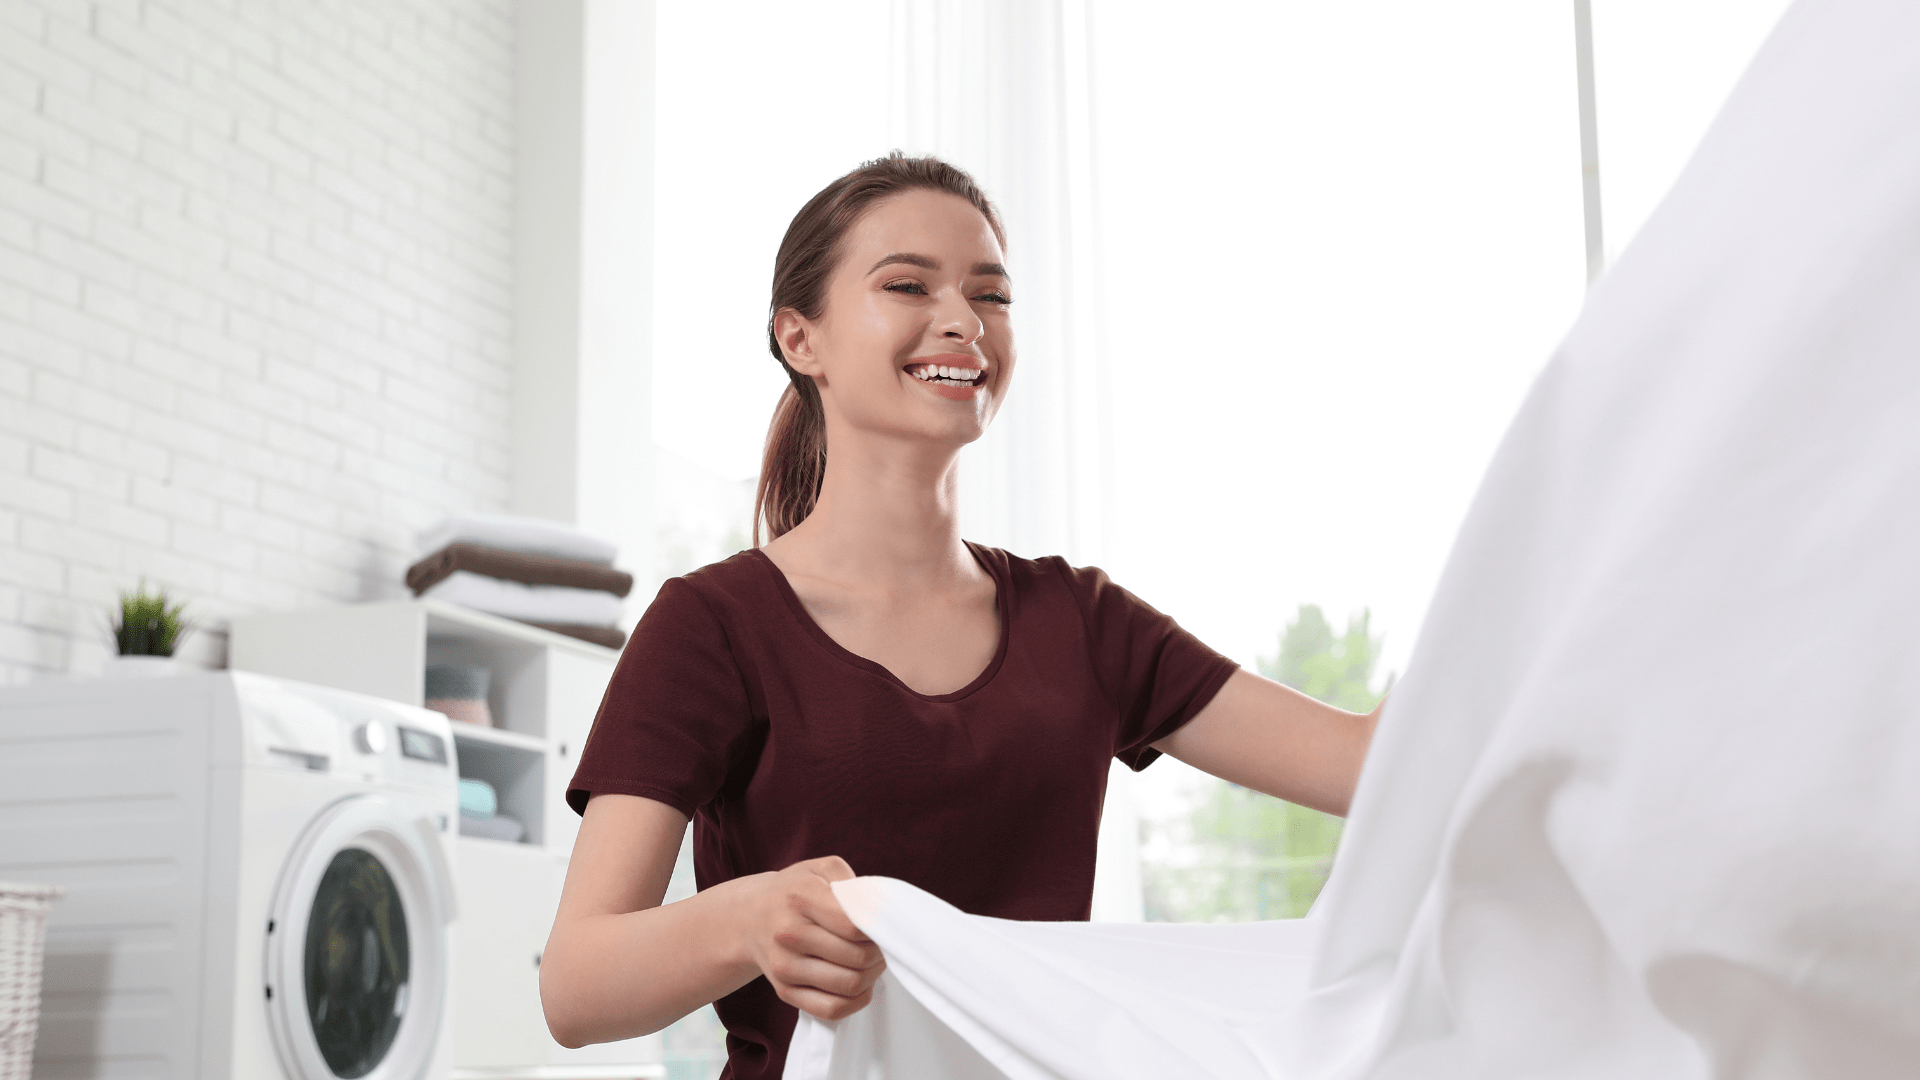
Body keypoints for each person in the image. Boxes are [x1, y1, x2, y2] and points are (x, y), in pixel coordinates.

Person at [539, 153, 1380, 1080]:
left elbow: (1374, 767)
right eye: (907, 283)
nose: (963, 321)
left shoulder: (1085, 625)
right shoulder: (714, 627)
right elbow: (575, 989)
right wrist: (750, 918)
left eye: (993, 295)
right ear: (799, 338)